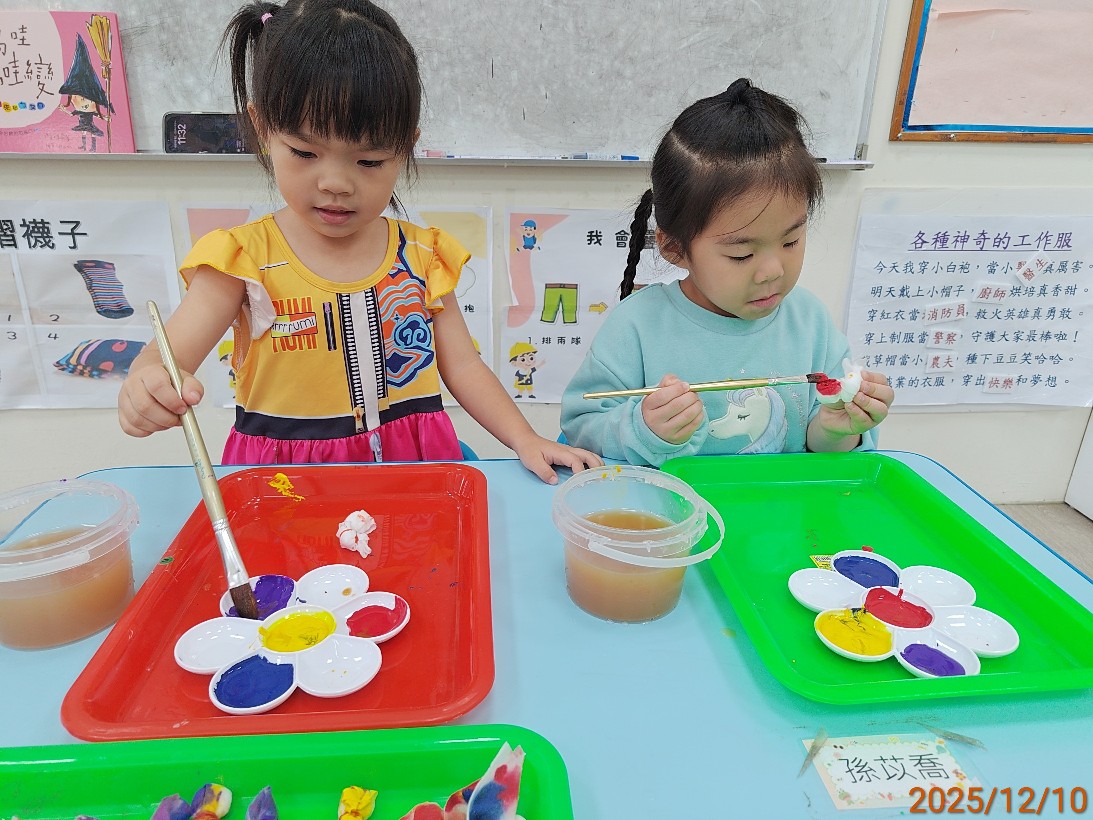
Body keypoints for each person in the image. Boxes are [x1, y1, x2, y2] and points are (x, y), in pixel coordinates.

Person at [118, 0, 601, 484]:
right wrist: (146, 384)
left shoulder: (424, 256)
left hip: (410, 469)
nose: (336, 183)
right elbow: (165, 359)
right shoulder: (241, 259)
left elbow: (463, 366)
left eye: (369, 161)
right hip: (286, 482)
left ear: (405, 148)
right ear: (262, 128)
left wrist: (524, 438)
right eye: (305, 152)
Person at [560, 78, 894, 466]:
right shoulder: (636, 326)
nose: (772, 271)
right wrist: (643, 431)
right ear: (675, 247)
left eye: (790, 242)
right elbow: (580, 427)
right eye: (741, 254)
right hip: (666, 504)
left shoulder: (810, 323)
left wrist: (838, 430)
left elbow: (823, 449)